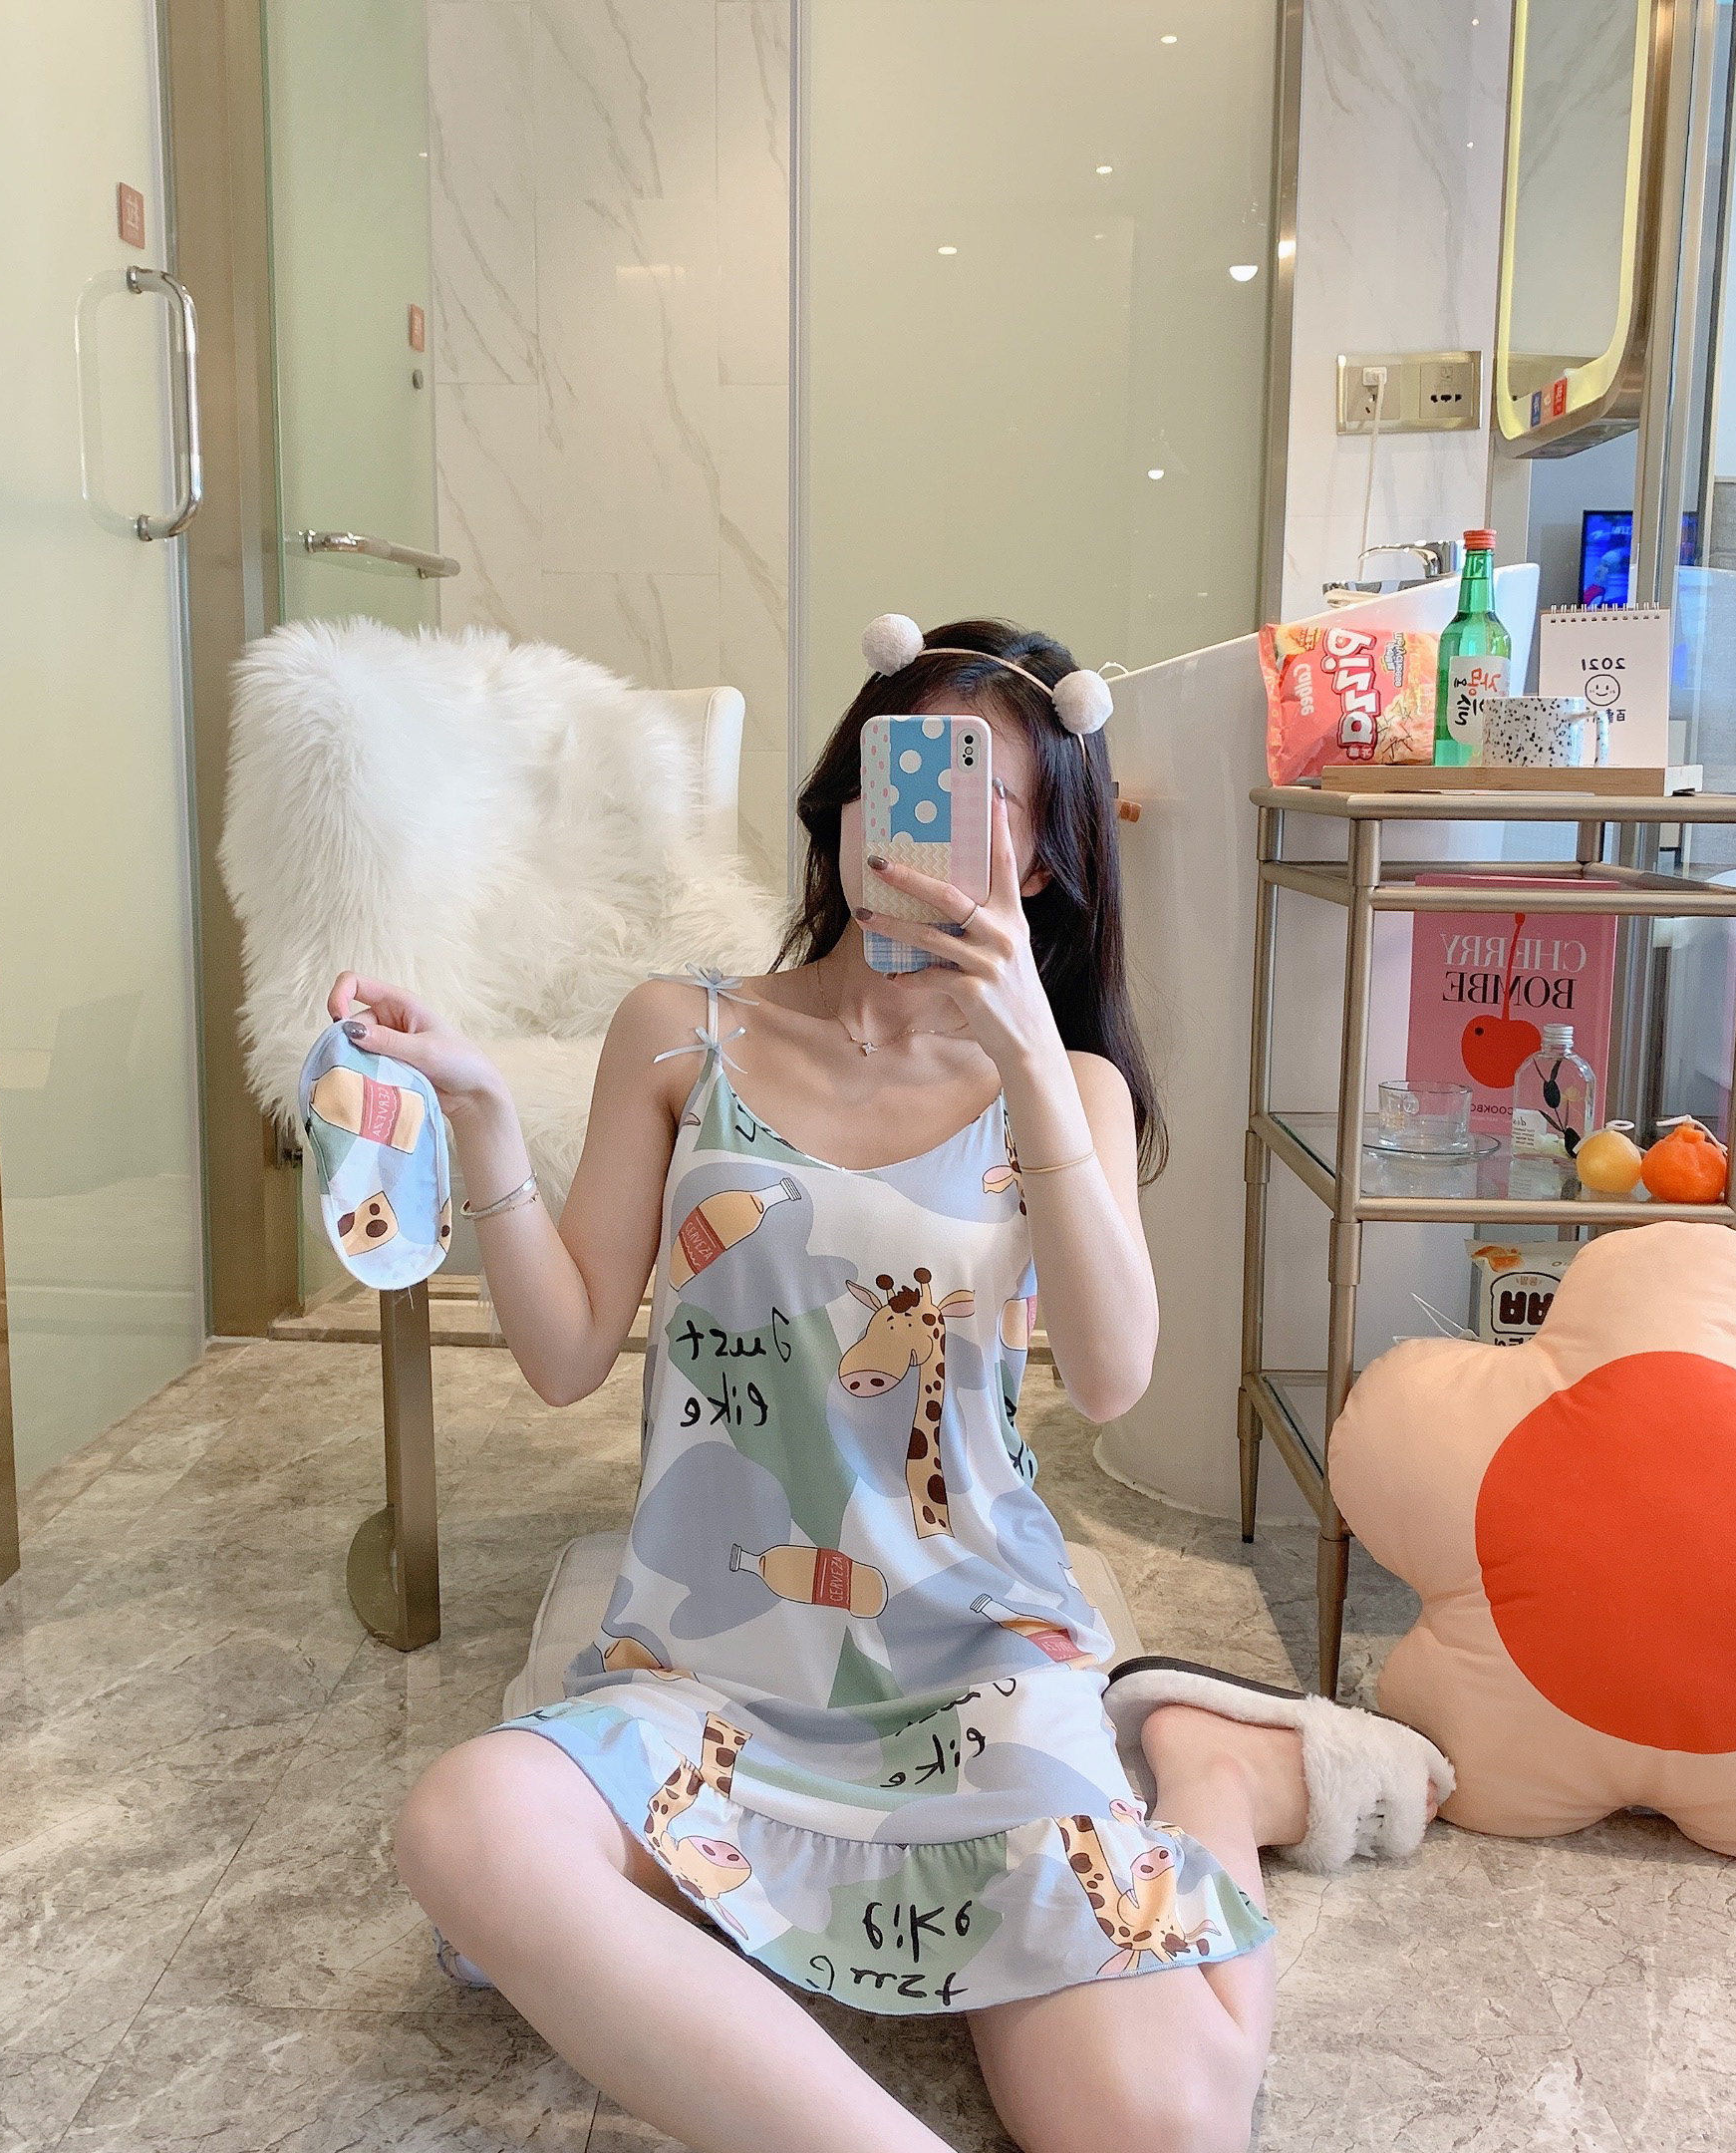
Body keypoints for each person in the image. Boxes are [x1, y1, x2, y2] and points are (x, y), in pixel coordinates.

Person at [335, 617, 1451, 2153]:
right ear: (845, 799)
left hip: (973, 1667)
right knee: (467, 1829)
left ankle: (1203, 1768)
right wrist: (481, 1124)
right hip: (711, 1676)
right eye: (898, 769)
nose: (917, 819)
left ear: (1044, 858)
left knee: (1165, 2125)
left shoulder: (1069, 1086)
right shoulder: (680, 1033)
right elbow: (565, 1352)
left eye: (983, 795)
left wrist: (1029, 1058)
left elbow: (1112, 1378)